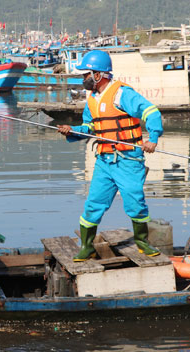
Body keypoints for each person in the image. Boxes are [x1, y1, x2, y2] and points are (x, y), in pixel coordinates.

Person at [58, 50, 163, 261]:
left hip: (128, 159)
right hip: (104, 160)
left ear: (98, 74)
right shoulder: (92, 100)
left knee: (135, 202)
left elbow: (151, 112)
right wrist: (72, 130)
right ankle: (87, 246)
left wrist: (152, 138)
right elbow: (89, 128)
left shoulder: (122, 94)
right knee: (93, 203)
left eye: (85, 74)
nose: (83, 79)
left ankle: (142, 242)